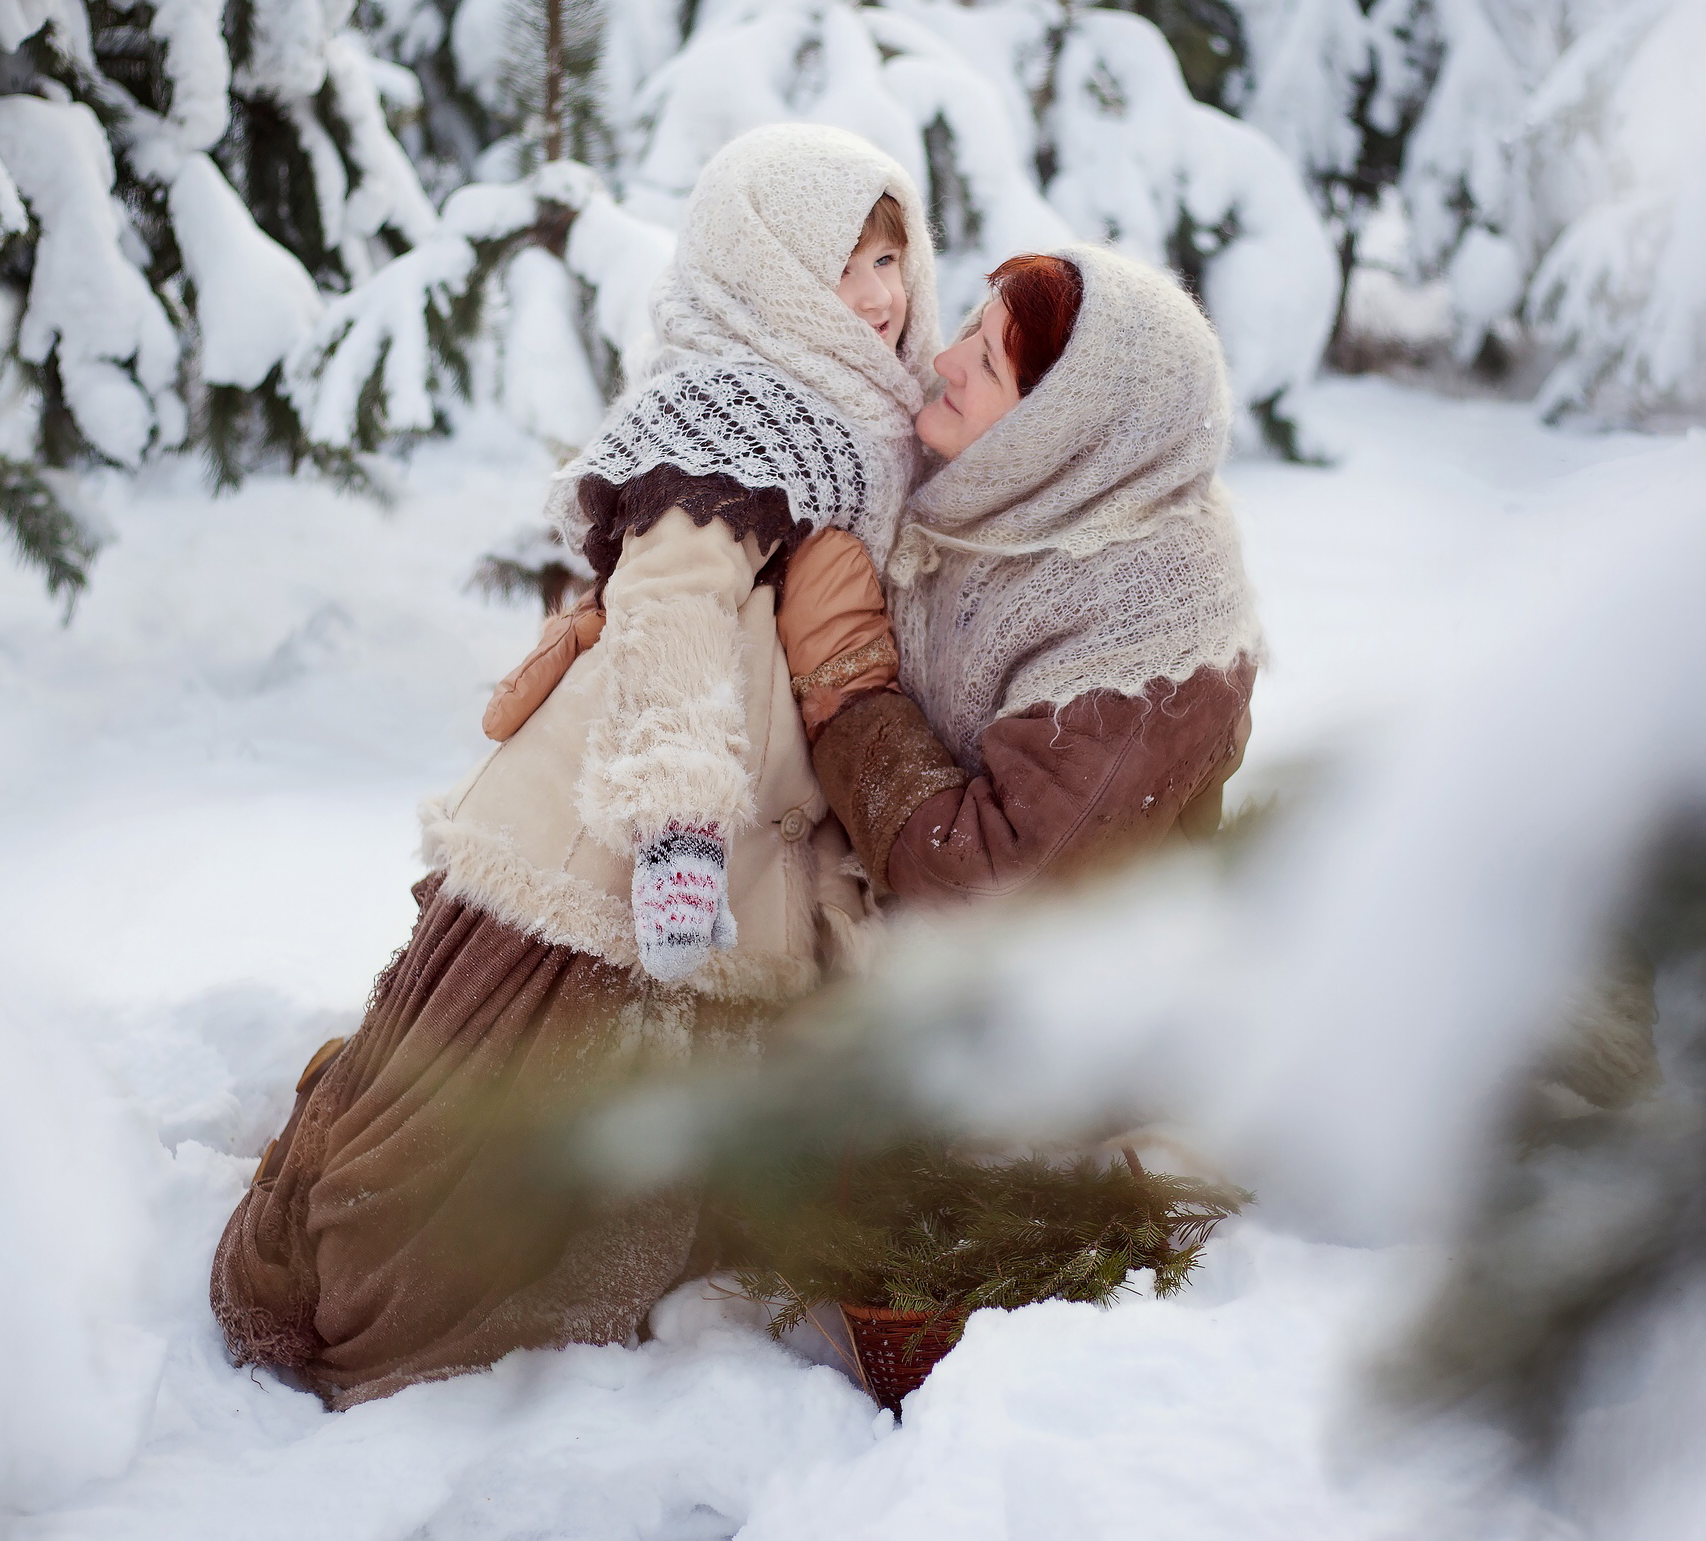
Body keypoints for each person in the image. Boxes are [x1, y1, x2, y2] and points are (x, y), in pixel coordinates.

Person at [209, 123, 940, 1407]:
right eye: (849, 263)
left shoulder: (855, 419)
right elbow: (665, 620)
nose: (883, 295)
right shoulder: (734, 417)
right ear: (763, 270)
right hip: (631, 843)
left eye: (894, 255)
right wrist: (674, 833)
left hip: (754, 833)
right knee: (492, 1158)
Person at [793, 245, 1263, 901]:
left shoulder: (1145, 636)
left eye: (986, 364)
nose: (944, 362)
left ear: (1061, 435)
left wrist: (847, 688)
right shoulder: (1001, 498)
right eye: (973, 330)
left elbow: (992, 884)